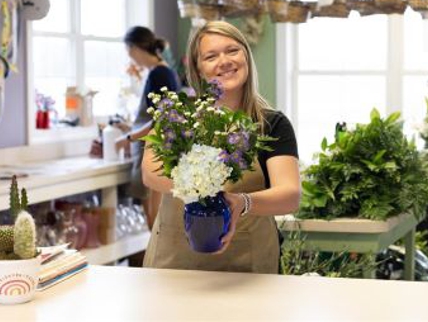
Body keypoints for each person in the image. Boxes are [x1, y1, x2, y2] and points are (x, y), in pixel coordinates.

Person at [141, 21, 300, 274]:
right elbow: (150, 173)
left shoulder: (271, 124)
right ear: (198, 69)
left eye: (232, 50)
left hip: (247, 270)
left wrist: (242, 202)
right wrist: (202, 188)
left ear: (246, 56)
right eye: (211, 56)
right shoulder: (175, 117)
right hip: (173, 267)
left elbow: (290, 195)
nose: (224, 61)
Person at [114, 26, 181, 229]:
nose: (131, 59)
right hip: (159, 149)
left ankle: (153, 259)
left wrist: (128, 138)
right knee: (157, 218)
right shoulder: (165, 72)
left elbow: (160, 120)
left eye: (129, 53)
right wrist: (130, 128)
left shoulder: (158, 74)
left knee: (154, 221)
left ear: (134, 48)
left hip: (152, 151)